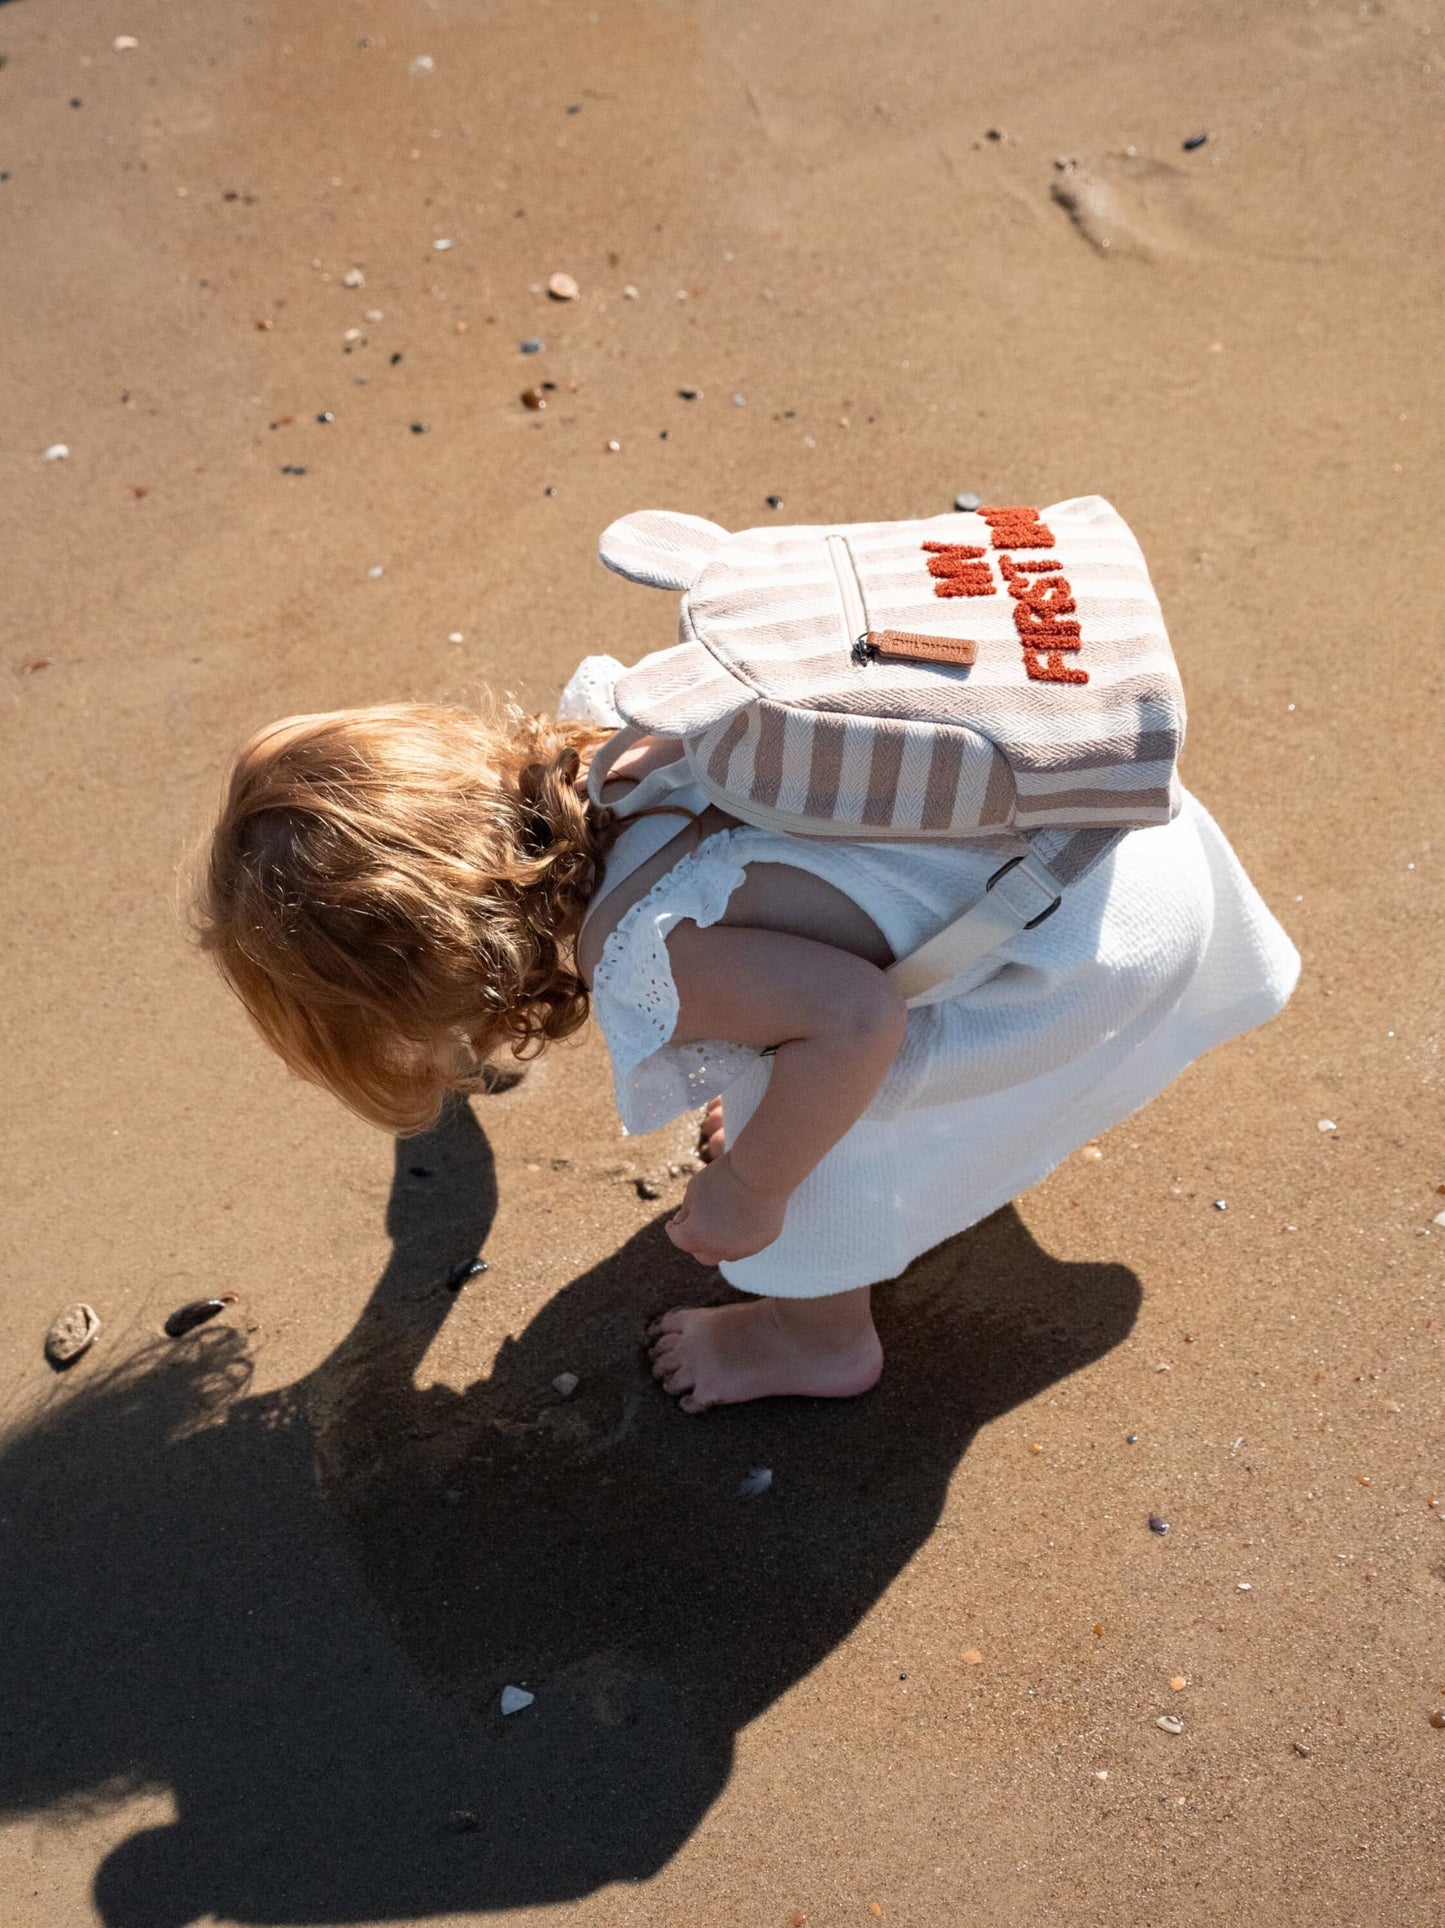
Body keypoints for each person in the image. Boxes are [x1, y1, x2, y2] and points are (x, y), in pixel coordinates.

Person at [197, 656, 1298, 1413]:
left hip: (1080, 952)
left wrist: (753, 1189)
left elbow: (856, 1016)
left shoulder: (652, 948)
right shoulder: (626, 736)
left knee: (803, 1161)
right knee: (821, 1015)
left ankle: (815, 1340)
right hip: (1109, 811)